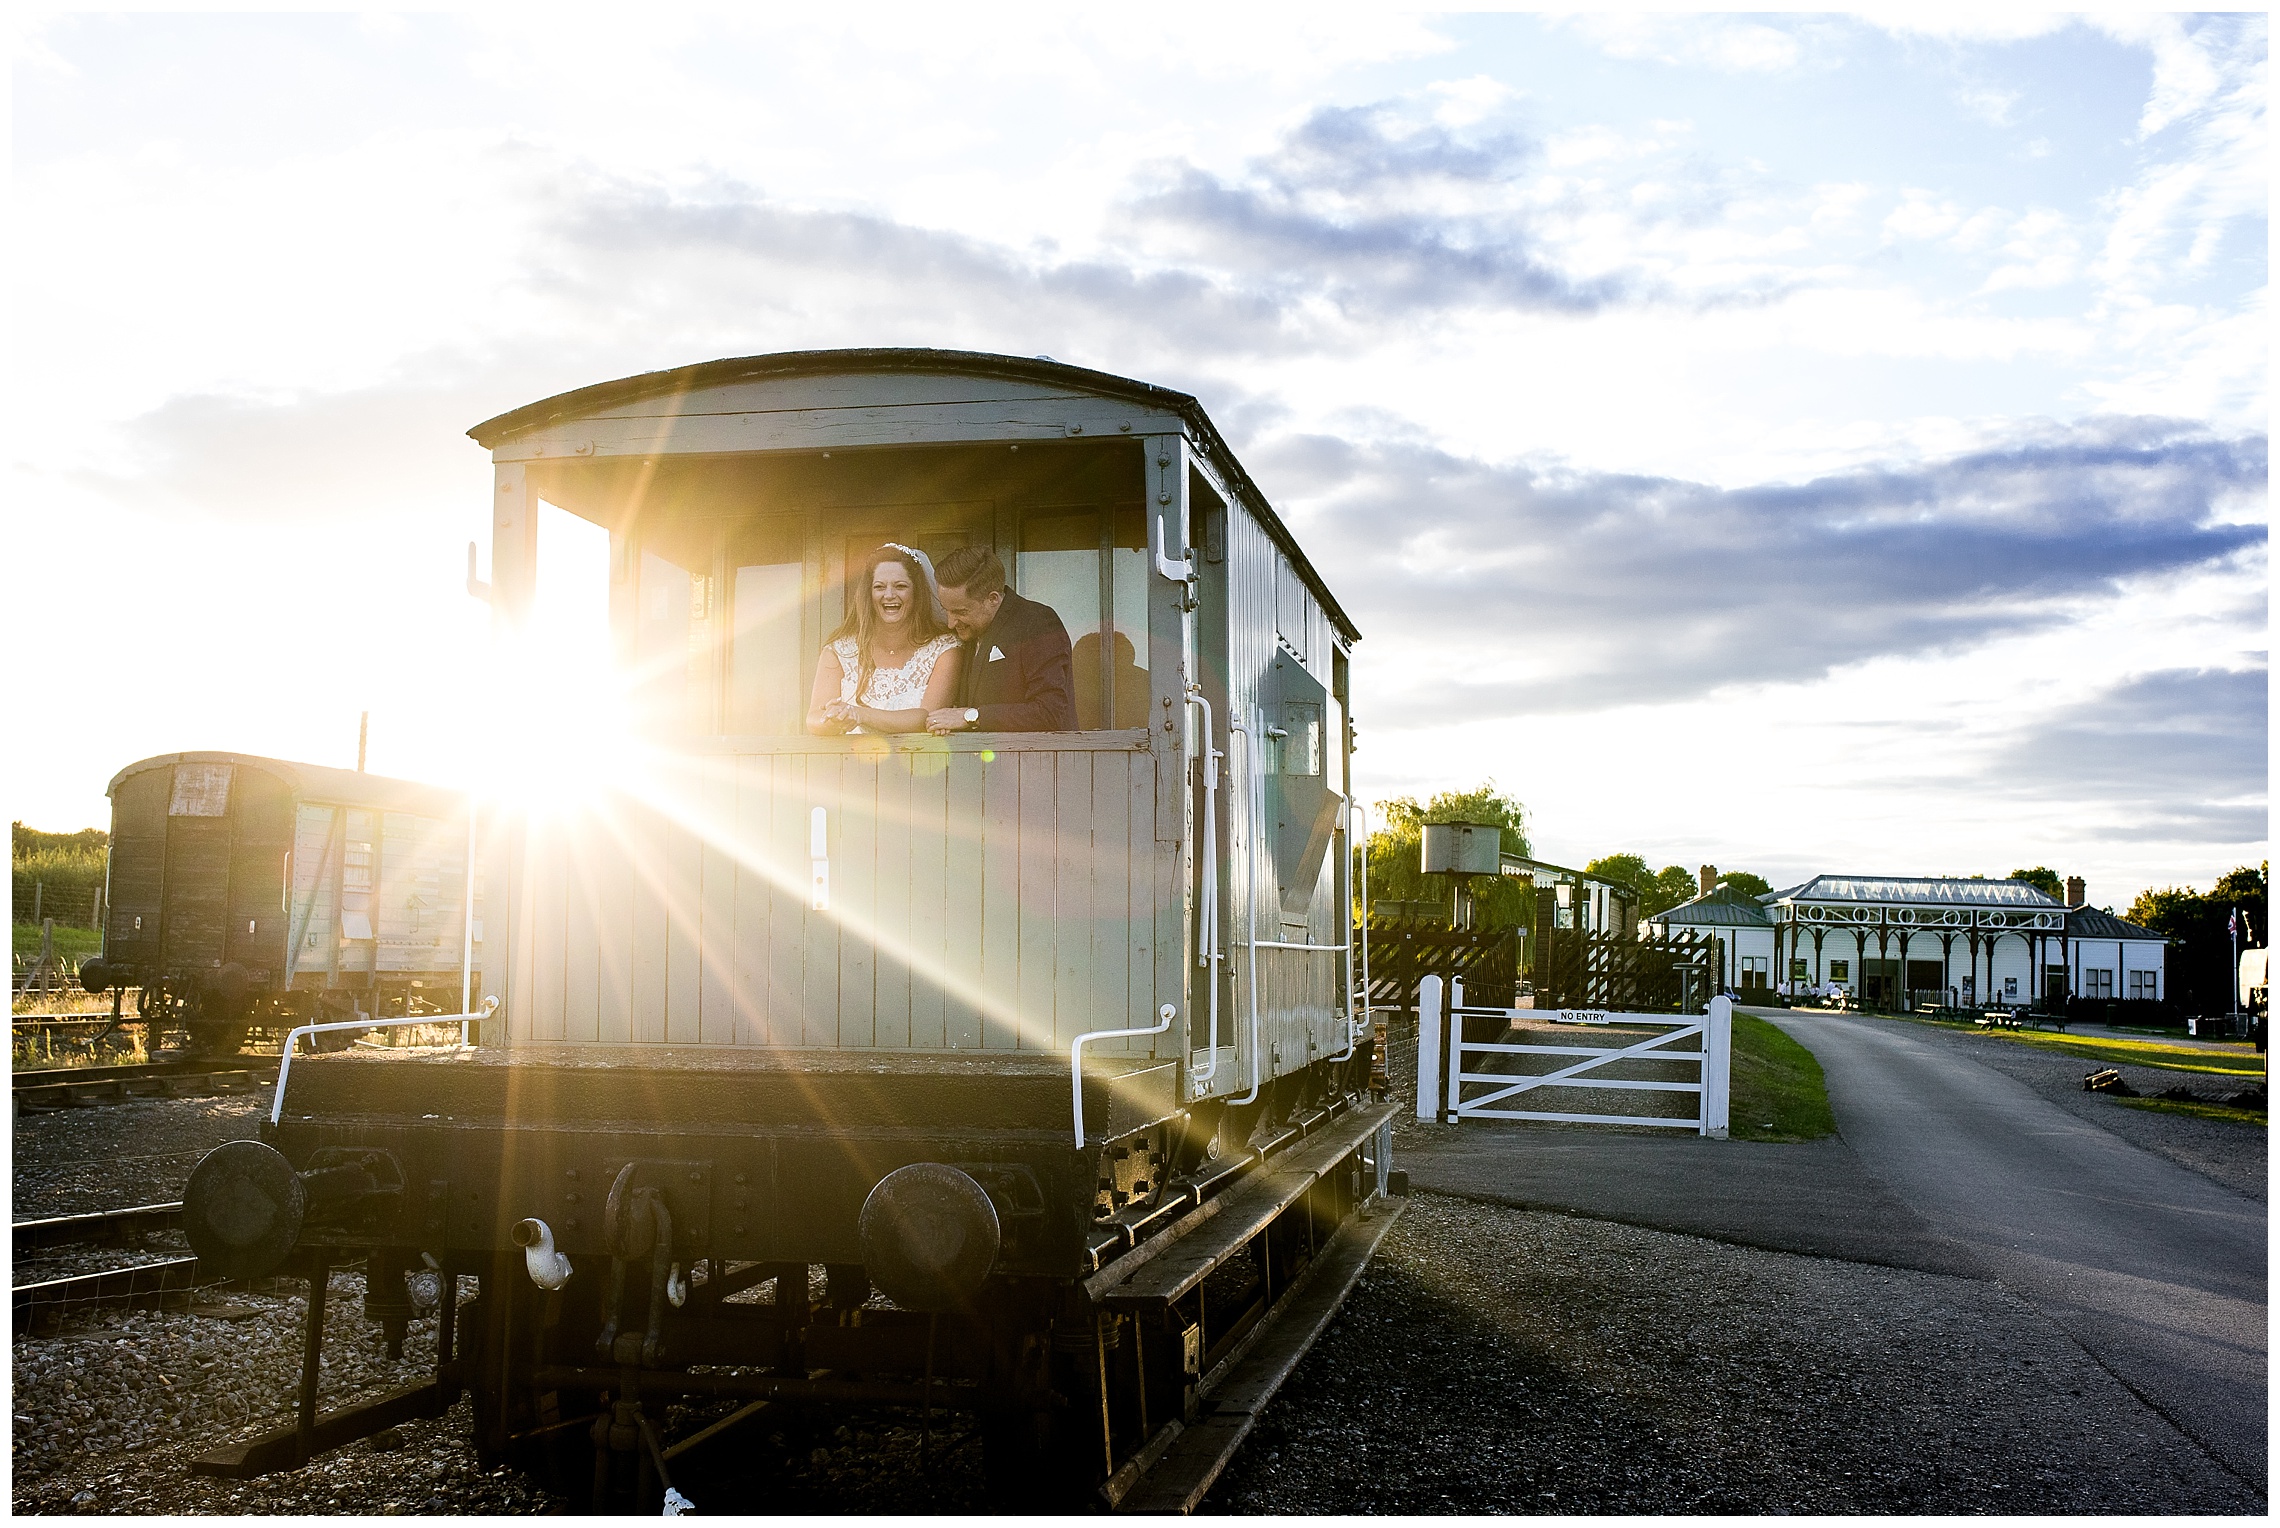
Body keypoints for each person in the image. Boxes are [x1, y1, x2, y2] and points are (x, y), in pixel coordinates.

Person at [806, 543, 963, 735]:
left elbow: (928, 717)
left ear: (917, 591)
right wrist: (833, 719)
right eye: (879, 587)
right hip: (848, 762)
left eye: (900, 586)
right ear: (868, 593)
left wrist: (859, 714)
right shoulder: (839, 651)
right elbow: (813, 718)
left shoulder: (945, 648)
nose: (889, 595)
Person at [925, 545, 1077, 733]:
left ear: (993, 599)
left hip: (1036, 760)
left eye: (960, 612)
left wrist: (972, 717)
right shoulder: (968, 632)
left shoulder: (1037, 622)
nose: (950, 623)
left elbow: (1049, 713)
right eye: (946, 610)